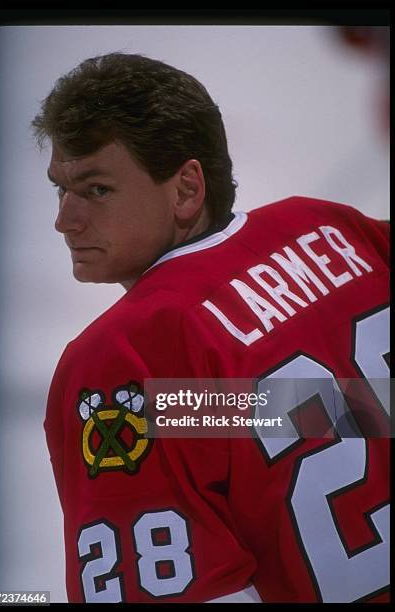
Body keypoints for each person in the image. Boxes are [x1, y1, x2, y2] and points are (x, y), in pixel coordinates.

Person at [32, 52, 389, 603]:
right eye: (62, 189)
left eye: (96, 189)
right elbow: (341, 408)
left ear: (186, 189)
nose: (66, 220)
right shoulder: (330, 224)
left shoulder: (124, 356)